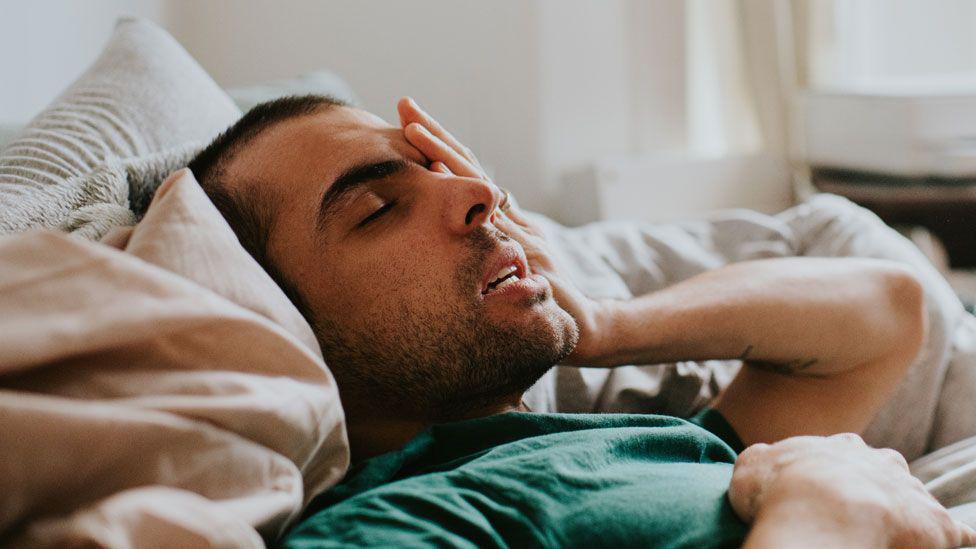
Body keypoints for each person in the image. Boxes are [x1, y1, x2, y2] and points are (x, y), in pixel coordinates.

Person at [186, 95, 975, 547]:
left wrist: (605, 324)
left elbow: (887, 313)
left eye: (445, 169)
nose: (478, 194)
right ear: (282, 320)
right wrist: (826, 515)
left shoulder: (642, 447)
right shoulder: (398, 520)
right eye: (379, 208)